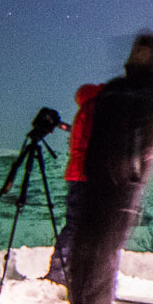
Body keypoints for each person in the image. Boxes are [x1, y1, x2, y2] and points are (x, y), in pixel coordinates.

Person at [54, 31, 153, 304]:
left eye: (147, 50)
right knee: (84, 238)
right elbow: (98, 129)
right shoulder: (114, 88)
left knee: (105, 242)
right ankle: (77, 302)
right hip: (96, 171)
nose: (139, 53)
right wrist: (88, 163)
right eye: (138, 48)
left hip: (128, 177)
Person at [44, 81, 101, 288]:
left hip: (76, 174)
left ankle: (64, 270)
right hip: (87, 176)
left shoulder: (85, 110)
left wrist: (62, 126)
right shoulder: (97, 111)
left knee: (75, 224)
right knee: (78, 226)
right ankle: (60, 272)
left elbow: (80, 134)